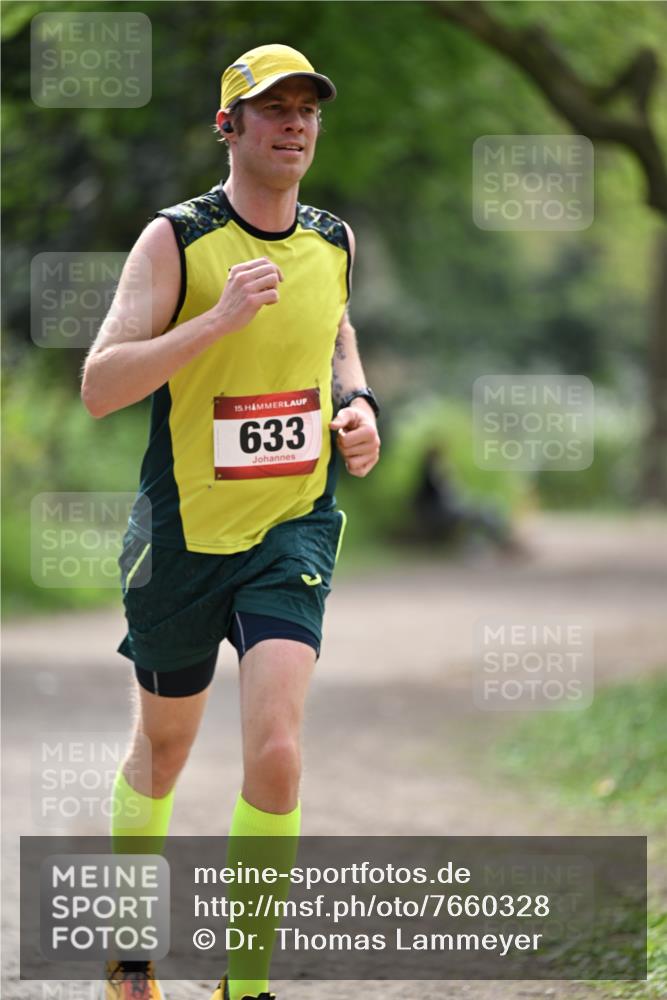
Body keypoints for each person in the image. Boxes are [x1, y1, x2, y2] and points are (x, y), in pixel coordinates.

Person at [81, 43, 381, 1000]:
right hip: (183, 534)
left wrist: (360, 404)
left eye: (307, 110)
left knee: (279, 752)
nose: (294, 123)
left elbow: (334, 326)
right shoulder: (176, 239)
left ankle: (243, 985)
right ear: (231, 128)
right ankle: (131, 955)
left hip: (290, 526)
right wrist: (215, 322)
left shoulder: (332, 239)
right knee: (164, 750)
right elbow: (98, 386)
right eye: (273, 109)